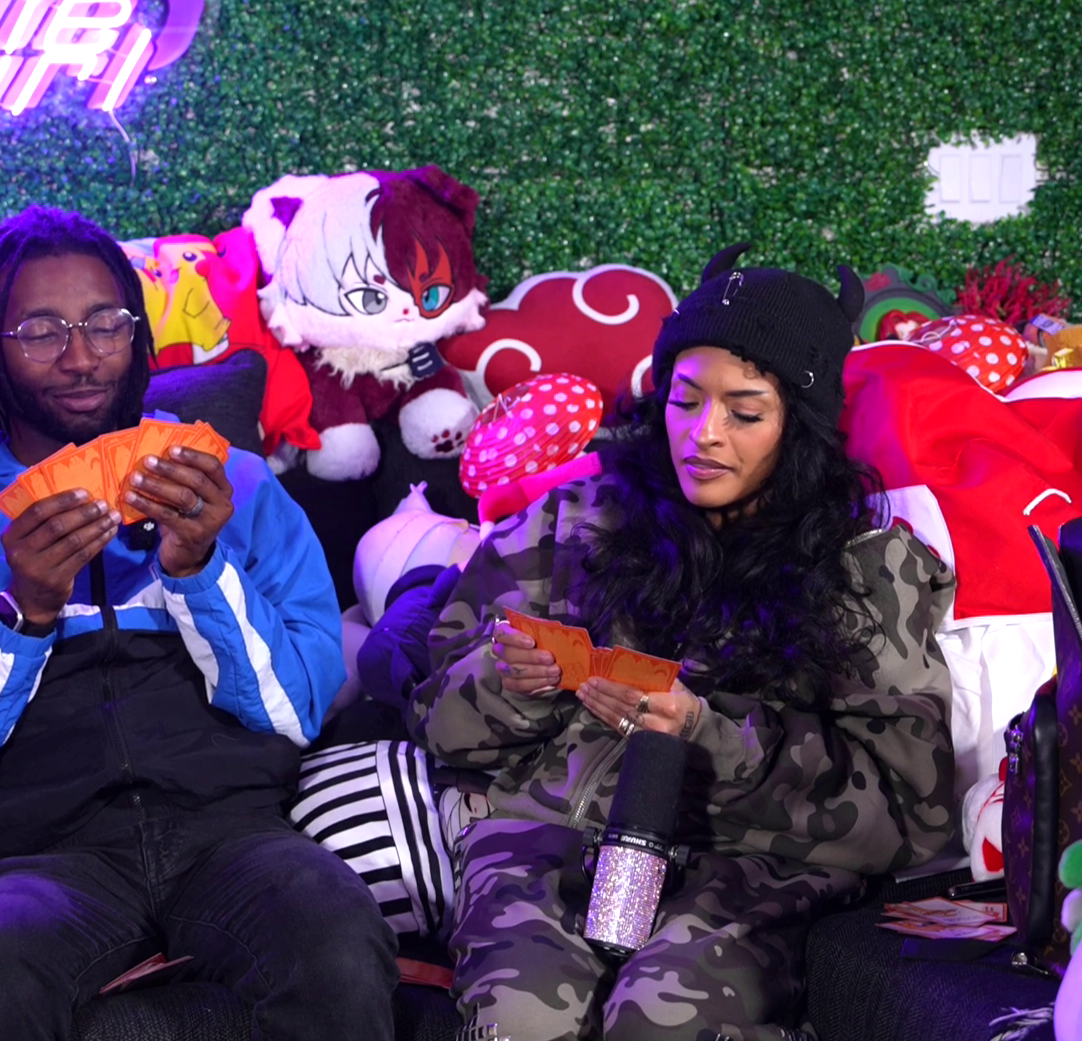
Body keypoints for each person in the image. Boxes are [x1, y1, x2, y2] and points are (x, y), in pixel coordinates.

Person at [0, 206, 399, 1040]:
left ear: (137, 334)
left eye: (106, 322)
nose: (81, 357)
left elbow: (297, 712)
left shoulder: (238, 484)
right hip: (41, 859)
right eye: (40, 331)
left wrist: (198, 568)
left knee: (336, 933)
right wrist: (22, 614)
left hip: (232, 835)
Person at [409, 244, 957, 1041]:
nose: (703, 436)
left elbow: (911, 813)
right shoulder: (574, 522)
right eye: (684, 400)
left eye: (744, 413)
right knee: (519, 1023)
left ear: (799, 424)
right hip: (552, 840)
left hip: (749, 868)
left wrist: (708, 735)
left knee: (656, 1023)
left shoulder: (863, 568)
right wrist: (509, 683)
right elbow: (437, 723)